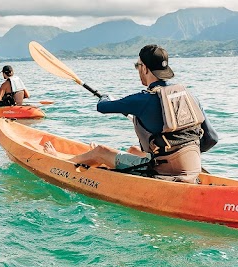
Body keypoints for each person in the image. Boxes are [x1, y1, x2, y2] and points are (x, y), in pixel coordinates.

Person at [47, 44, 218, 183]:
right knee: (133, 150)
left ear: (144, 68)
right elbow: (211, 138)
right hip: (192, 169)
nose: (138, 69)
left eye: (138, 65)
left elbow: (103, 107)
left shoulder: (143, 99)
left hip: (161, 173)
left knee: (100, 151)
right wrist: (181, 157)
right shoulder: (190, 97)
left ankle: (59, 163)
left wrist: (105, 97)